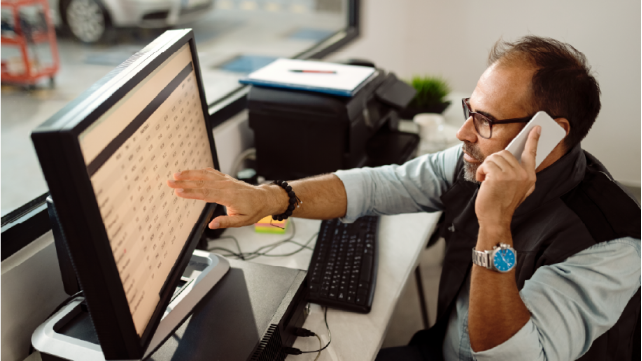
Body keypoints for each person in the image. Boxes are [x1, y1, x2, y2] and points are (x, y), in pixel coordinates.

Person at [167, 36, 641, 361]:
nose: (463, 133)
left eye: (485, 121)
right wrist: (269, 198)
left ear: (546, 135)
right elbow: (383, 184)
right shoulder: (474, 165)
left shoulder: (609, 243)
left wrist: (495, 227)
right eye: (468, 112)